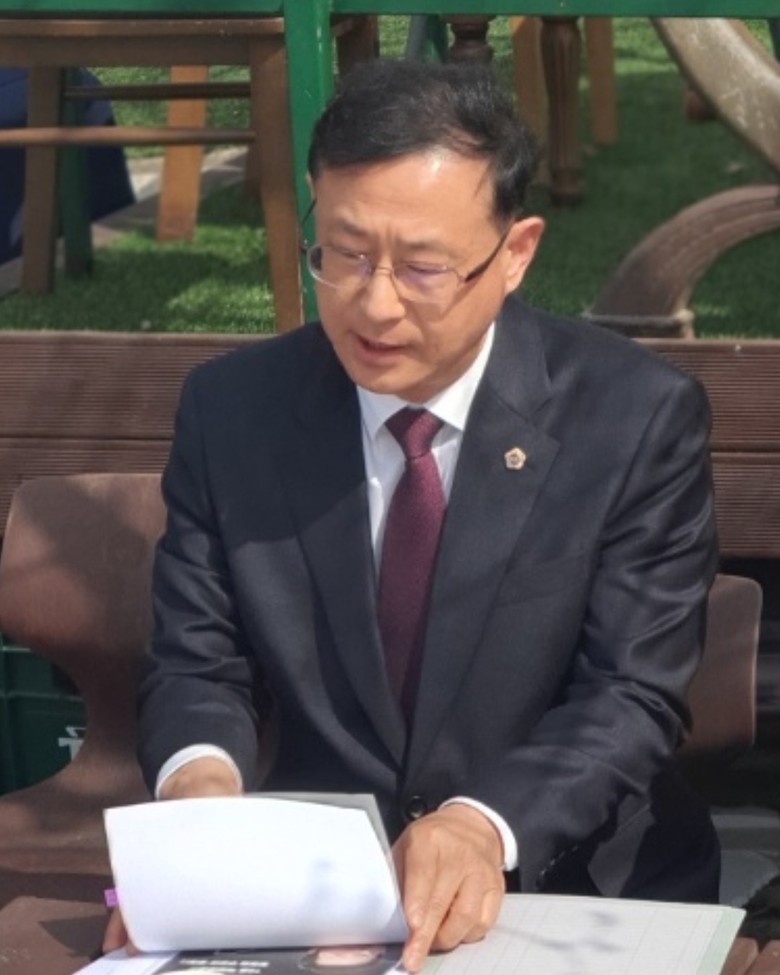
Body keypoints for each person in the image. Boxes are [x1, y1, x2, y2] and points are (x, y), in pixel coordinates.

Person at [105, 58, 719, 972]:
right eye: (344, 254)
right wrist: (200, 791)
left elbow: (630, 690)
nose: (375, 302)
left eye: (423, 267)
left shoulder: (633, 418)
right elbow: (200, 658)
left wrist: (480, 823)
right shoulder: (233, 411)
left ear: (515, 253)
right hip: (318, 902)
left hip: (575, 886)